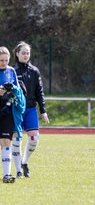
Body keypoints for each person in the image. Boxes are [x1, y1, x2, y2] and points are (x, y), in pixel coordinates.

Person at [12, 41, 49, 178]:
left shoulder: (34, 71)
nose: (26, 55)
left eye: (28, 53)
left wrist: (43, 110)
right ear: (17, 54)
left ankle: (24, 163)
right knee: (17, 140)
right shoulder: (12, 71)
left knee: (34, 138)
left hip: (31, 109)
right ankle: (18, 170)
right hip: (16, 110)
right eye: (23, 53)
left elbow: (40, 92)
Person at [0, 46, 26, 183]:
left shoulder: (11, 71)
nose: (4, 63)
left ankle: (7, 175)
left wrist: (13, 89)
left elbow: (17, 90)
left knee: (6, 142)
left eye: (6, 60)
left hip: (7, 111)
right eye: (1, 60)